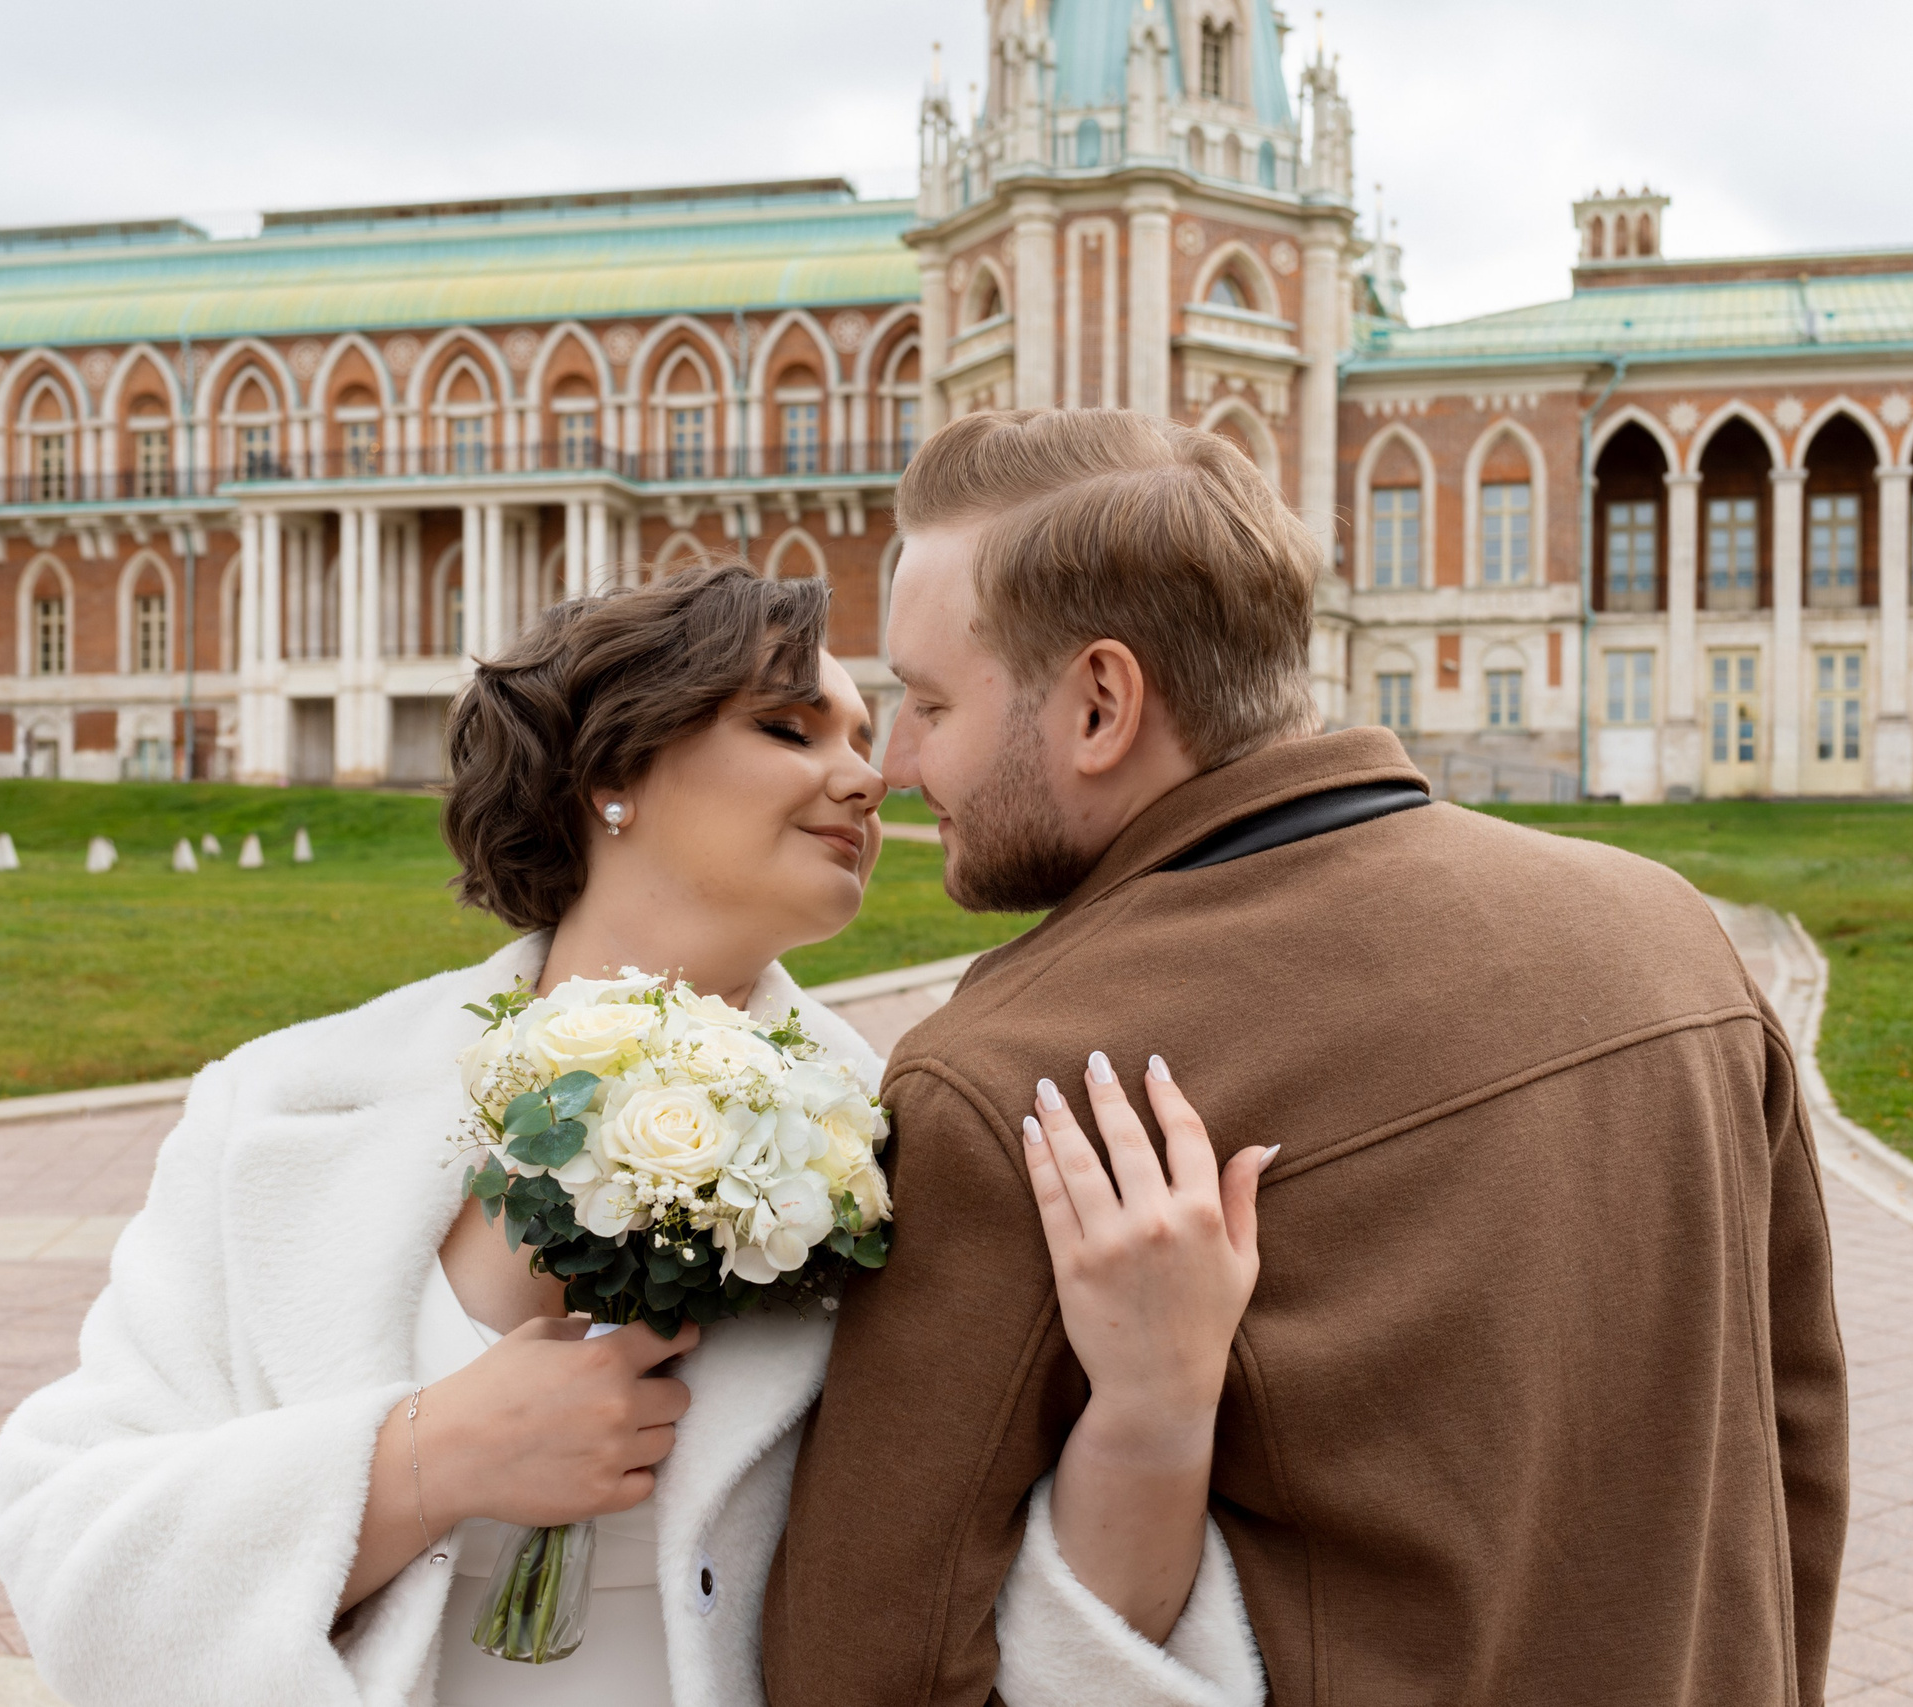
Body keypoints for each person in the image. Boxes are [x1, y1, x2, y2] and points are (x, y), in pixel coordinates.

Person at [0, 564, 1268, 1707]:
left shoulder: (912, 1147)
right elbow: (69, 1536)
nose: (869, 780)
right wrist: (425, 1460)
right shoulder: (278, 1106)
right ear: (611, 775)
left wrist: (1155, 1408)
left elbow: (1009, 1630)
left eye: (870, 738)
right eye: (787, 726)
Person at [763, 411, 1852, 1707]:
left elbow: (860, 1669)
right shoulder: (1673, 938)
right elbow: (1799, 1456)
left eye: (931, 701)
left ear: (1101, 702)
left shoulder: (1016, 1083)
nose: (895, 763)